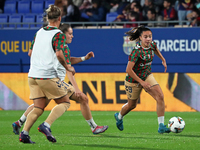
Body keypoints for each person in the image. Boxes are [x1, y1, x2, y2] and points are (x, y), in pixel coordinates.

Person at [13, 23, 108, 141]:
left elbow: (68, 60)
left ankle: (21, 125)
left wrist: (84, 58)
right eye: (70, 33)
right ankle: (48, 125)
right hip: (54, 80)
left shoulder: (51, 43)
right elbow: (68, 69)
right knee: (78, 99)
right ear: (63, 34)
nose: (72, 36)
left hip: (40, 77)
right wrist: (76, 88)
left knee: (39, 105)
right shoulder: (62, 46)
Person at [18, 4, 75, 144]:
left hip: (32, 75)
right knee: (65, 102)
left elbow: (30, 53)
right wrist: (67, 65)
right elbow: (59, 54)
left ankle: (24, 134)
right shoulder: (58, 34)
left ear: (48, 18)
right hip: (46, 76)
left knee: (38, 107)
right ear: (59, 18)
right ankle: (46, 125)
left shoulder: (39, 32)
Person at [114, 26, 171, 134]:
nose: (148, 39)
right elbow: (128, 70)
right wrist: (142, 82)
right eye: (145, 37)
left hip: (147, 75)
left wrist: (163, 60)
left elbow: (156, 50)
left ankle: (161, 126)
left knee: (160, 96)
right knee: (132, 105)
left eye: (150, 36)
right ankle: (119, 116)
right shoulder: (136, 52)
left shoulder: (152, 45)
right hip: (133, 81)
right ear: (140, 38)